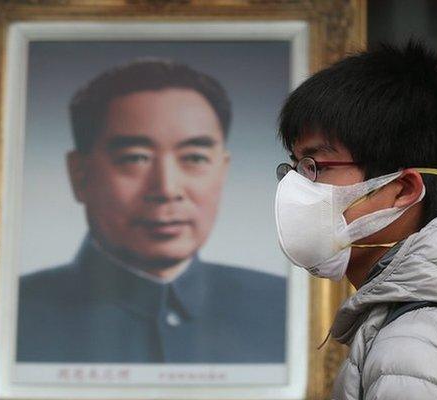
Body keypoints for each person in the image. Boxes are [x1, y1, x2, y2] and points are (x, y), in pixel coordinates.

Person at [274, 42, 437, 399]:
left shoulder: (414, 344)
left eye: (315, 166)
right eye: (295, 166)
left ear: (401, 190)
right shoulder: (429, 325)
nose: (297, 186)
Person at [16, 59, 286, 363]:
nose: (167, 189)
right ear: (79, 174)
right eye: (135, 158)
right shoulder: (8, 315)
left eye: (194, 158)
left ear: (222, 171)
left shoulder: (284, 307)